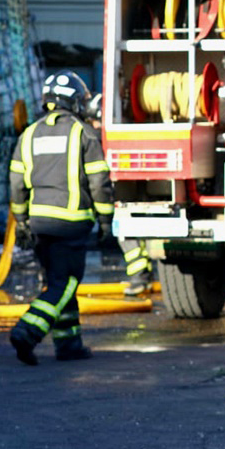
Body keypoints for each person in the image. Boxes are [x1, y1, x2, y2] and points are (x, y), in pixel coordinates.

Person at [8, 71, 115, 365]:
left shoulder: (28, 134)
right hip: (71, 223)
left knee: (57, 282)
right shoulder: (84, 133)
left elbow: (17, 183)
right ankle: (26, 331)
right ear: (74, 101)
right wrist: (106, 222)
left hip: (40, 224)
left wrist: (22, 223)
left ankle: (68, 345)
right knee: (64, 283)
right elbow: (99, 183)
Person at [83, 91, 153, 296]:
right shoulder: (120, 134)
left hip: (115, 193)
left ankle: (141, 276)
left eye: (94, 121)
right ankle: (142, 274)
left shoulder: (93, 138)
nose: (93, 126)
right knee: (131, 233)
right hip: (126, 190)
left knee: (125, 233)